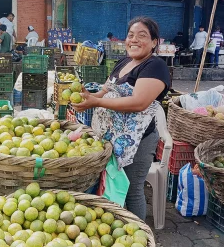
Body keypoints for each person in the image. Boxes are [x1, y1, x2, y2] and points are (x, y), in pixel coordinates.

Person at [73, 16, 170, 220]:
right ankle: (116, 226)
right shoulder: (124, 62)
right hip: (112, 137)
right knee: (113, 184)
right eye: (130, 35)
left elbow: (138, 103)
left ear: (154, 42)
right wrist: (88, 97)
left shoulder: (155, 66)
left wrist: (96, 103)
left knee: (132, 190)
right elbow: (105, 90)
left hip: (138, 141)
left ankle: (138, 236)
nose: (134, 40)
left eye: (142, 36)